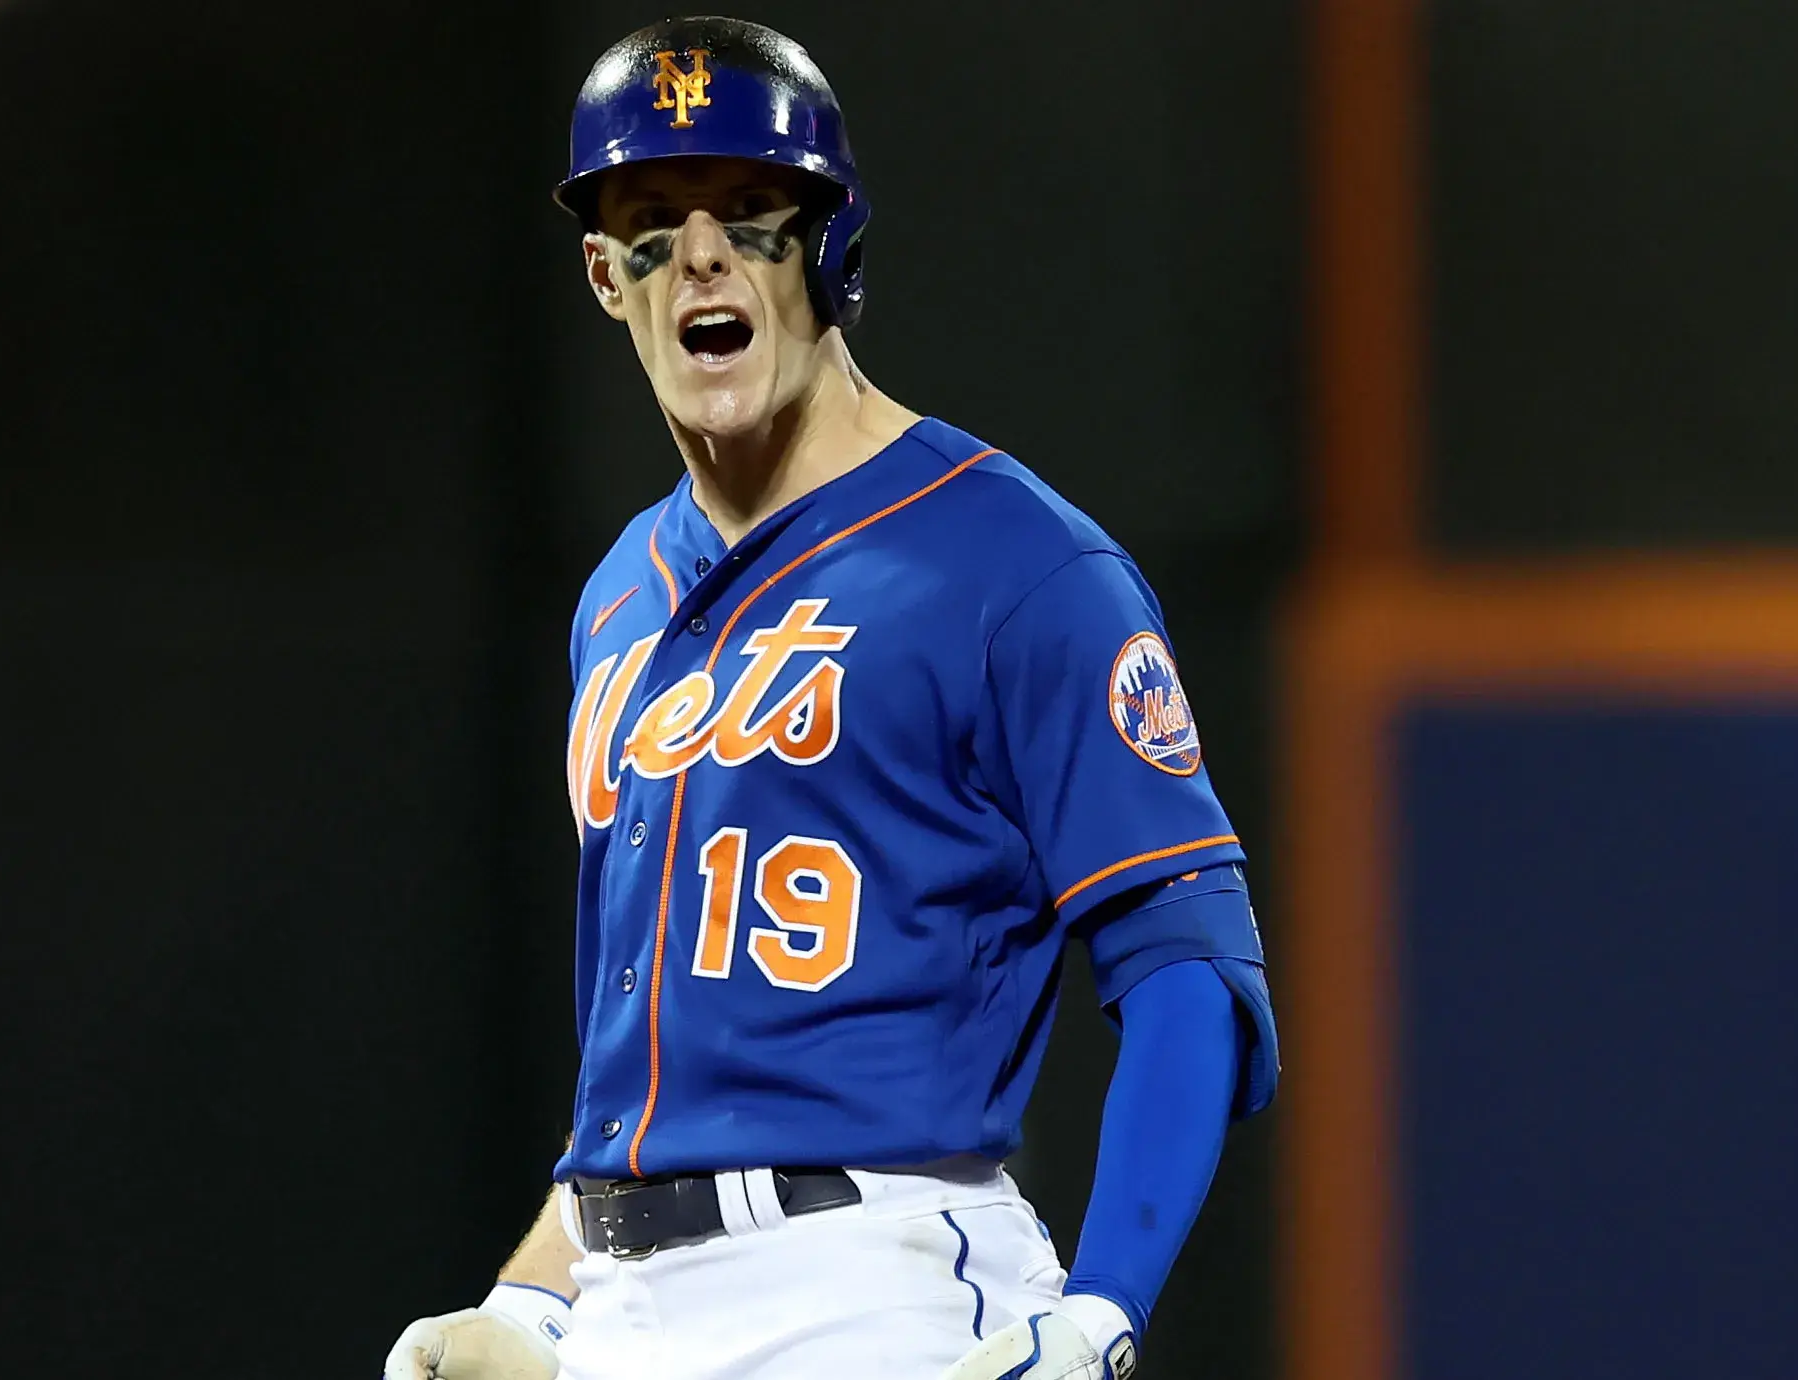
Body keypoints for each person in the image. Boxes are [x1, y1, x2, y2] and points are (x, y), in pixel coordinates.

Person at [383, 17, 1277, 1380]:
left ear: (830, 248)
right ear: (602, 278)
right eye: (648, 224)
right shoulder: (618, 593)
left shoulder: (1017, 564)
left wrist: (1100, 1312)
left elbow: (1189, 969)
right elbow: (665, 1064)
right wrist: (531, 1305)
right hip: (622, 1306)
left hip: (881, 1288)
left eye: (749, 215)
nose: (698, 257)